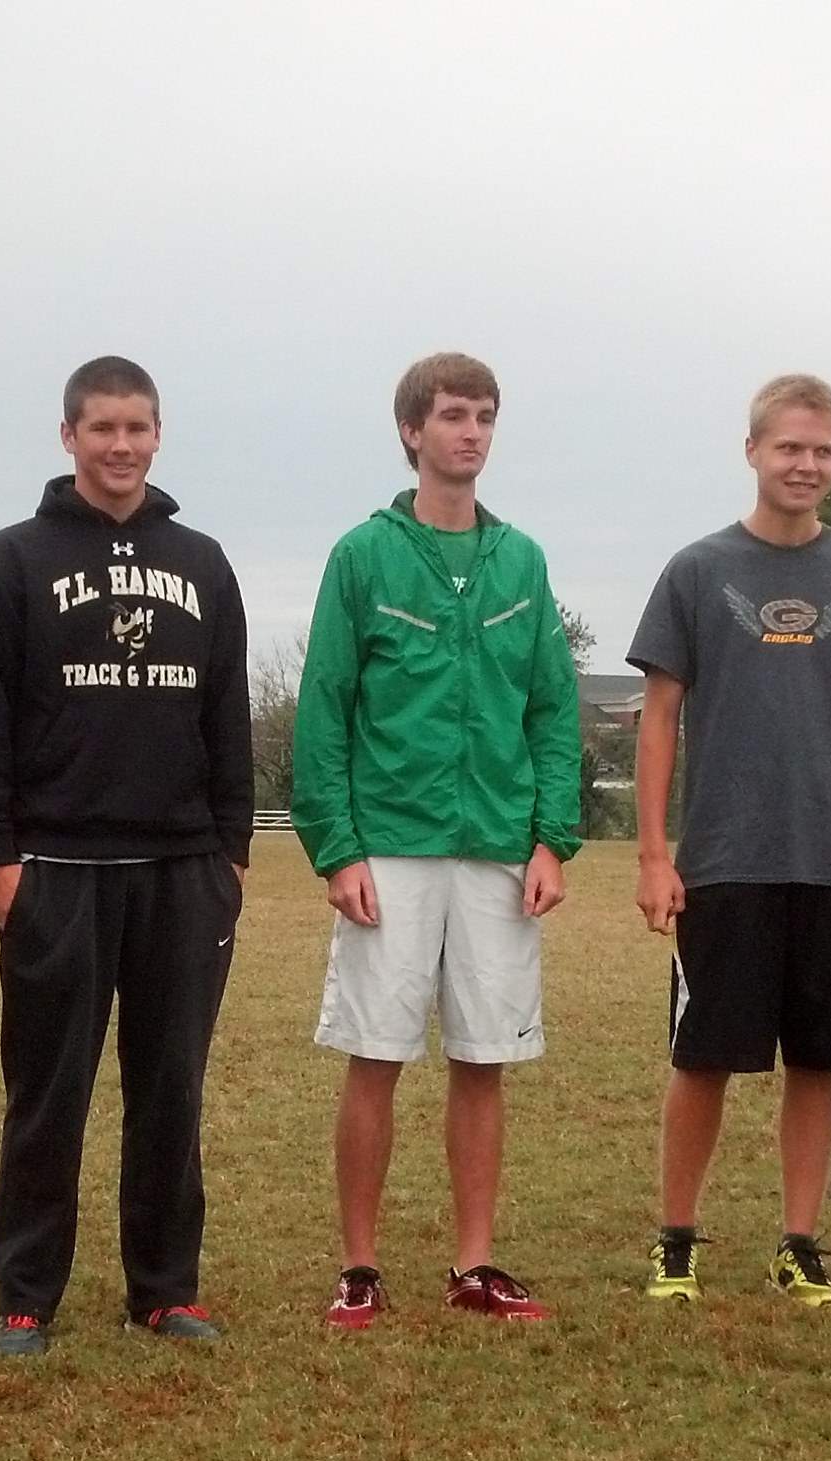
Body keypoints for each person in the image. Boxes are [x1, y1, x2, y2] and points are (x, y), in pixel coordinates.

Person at [0, 356, 252, 1357]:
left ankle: (163, 1288)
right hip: (56, 865)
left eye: (136, 427)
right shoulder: (15, 556)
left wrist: (230, 854)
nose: (120, 445)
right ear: (68, 436)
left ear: (158, 434)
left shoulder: (202, 561)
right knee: (49, 1093)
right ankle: (25, 1295)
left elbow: (226, 713)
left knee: (169, 1090)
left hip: (182, 869)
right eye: (102, 428)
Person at [292, 352, 583, 1329]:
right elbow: (325, 708)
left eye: (485, 415)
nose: (471, 432)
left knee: (482, 1057)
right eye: (453, 415)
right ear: (411, 430)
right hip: (390, 845)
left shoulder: (522, 561)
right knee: (374, 1054)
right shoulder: (362, 557)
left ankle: (474, 1263)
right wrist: (336, 848)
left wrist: (552, 839)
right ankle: (359, 1266)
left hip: (499, 844)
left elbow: (552, 710)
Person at [628, 373, 831, 1307]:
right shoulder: (695, 570)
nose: (806, 464)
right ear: (752, 449)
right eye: (789, 446)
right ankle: (676, 1241)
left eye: (822, 450)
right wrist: (653, 853)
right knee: (703, 1058)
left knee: (819, 1060)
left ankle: (798, 1243)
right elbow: (658, 717)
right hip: (724, 861)